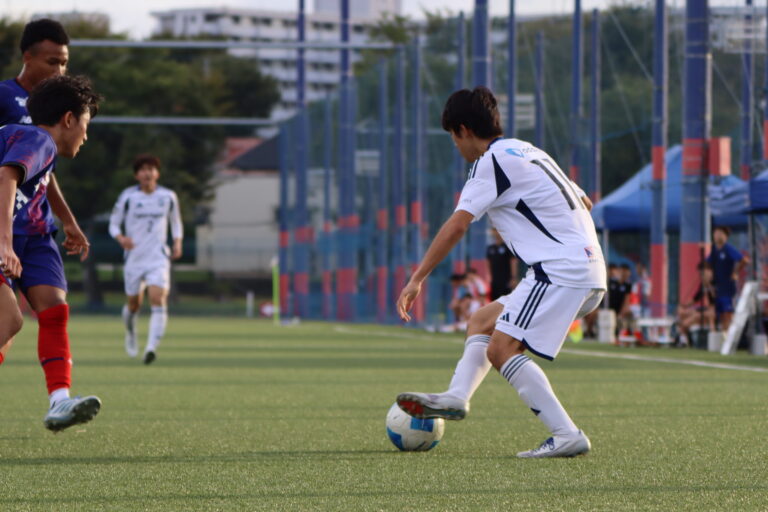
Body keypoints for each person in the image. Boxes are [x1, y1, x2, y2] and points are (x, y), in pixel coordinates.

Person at [395, 87, 606, 458]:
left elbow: (457, 225)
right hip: (585, 267)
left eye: (453, 137)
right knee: (481, 321)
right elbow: (585, 200)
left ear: (464, 130)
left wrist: (417, 278)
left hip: (559, 270)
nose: (456, 146)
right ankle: (457, 396)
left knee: (501, 349)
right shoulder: (529, 151)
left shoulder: (489, 162)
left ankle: (566, 434)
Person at [0, 74, 102, 432]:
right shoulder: (39, 139)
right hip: (8, 235)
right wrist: (4, 243)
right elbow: (7, 177)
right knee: (9, 321)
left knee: (53, 308)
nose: (86, 136)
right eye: (86, 125)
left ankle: (60, 401)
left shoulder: (37, 143)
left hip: (36, 234)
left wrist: (68, 221)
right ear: (69, 119)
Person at [109, 154, 183, 365]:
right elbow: (113, 224)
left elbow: (176, 222)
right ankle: (131, 332)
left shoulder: (168, 196)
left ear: (157, 173)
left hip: (158, 258)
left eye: (151, 169)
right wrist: (121, 238)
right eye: (142, 170)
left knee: (158, 299)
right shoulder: (128, 197)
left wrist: (177, 242)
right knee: (134, 304)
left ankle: (151, 348)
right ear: (136, 175)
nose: (147, 173)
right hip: (135, 258)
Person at [0, 19, 69, 126]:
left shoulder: (64, 104)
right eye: (52, 62)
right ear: (27, 58)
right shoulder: (3, 94)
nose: (59, 72)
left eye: (63, 64)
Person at [707, 226, 747, 331]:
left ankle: (731, 334)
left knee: (728, 313)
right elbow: (707, 264)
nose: (717, 236)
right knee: (718, 314)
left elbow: (743, 260)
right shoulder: (714, 250)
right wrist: (709, 282)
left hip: (728, 288)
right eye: (715, 233)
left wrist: (735, 272)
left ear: (726, 236)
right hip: (717, 288)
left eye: (720, 233)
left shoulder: (728, 249)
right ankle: (723, 334)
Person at [676, 262, 716, 347]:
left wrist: (708, 285)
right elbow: (695, 299)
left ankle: (686, 337)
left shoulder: (716, 282)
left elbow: (716, 297)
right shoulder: (703, 285)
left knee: (691, 319)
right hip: (706, 309)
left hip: (715, 310)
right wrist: (683, 306)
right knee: (683, 312)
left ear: (709, 271)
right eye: (701, 275)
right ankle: (684, 339)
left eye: (703, 274)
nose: (702, 277)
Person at [486, 228, 517, 300]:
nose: (496, 233)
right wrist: (489, 276)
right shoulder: (490, 248)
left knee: (506, 300)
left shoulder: (507, 247)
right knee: (494, 300)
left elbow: (513, 262)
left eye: (497, 230)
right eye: (494, 230)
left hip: (506, 279)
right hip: (495, 280)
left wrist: (513, 278)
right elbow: (488, 263)